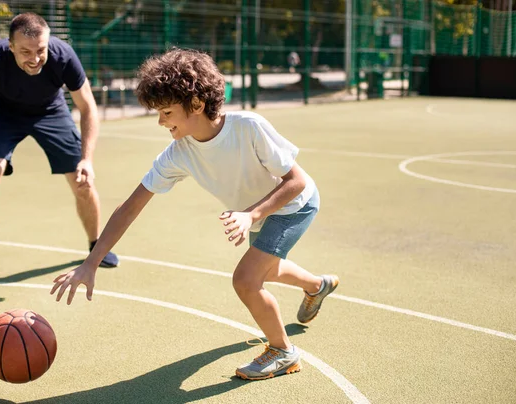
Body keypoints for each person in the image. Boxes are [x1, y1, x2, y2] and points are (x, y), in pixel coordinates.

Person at [50, 48, 339, 381]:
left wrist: (250, 215)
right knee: (267, 269)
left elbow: (297, 181)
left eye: (167, 112)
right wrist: (91, 262)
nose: (161, 122)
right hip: (258, 214)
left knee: (246, 280)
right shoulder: (178, 154)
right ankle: (318, 286)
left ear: (197, 105)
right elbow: (130, 207)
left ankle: (283, 351)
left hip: (292, 205)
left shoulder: (248, 127)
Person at [0, 12, 118, 284]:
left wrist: (87, 159)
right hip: (4, 112)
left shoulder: (63, 56)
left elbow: (88, 108)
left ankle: (97, 245)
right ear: (10, 46)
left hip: (51, 111)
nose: (34, 58)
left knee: (82, 180)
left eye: (40, 50)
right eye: (25, 51)